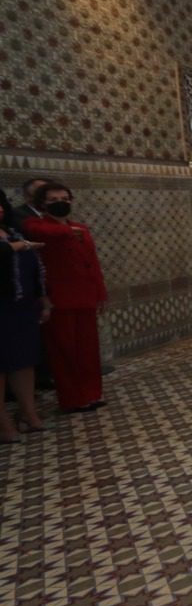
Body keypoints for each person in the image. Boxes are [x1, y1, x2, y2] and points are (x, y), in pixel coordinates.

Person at [22, 183, 108, 415]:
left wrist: (100, 294)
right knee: (64, 351)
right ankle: (73, 398)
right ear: (42, 204)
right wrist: (68, 232)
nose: (60, 202)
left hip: (85, 295)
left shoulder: (80, 227)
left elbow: (92, 263)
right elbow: (46, 234)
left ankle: (92, 393)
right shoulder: (35, 225)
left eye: (64, 198)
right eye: (53, 199)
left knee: (88, 349)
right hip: (58, 298)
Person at [0, 190, 49, 442]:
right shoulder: (14, 240)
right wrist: (17, 247)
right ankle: (4, 424)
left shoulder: (12, 231)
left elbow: (31, 264)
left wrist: (41, 295)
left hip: (20, 305)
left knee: (23, 360)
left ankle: (28, 414)